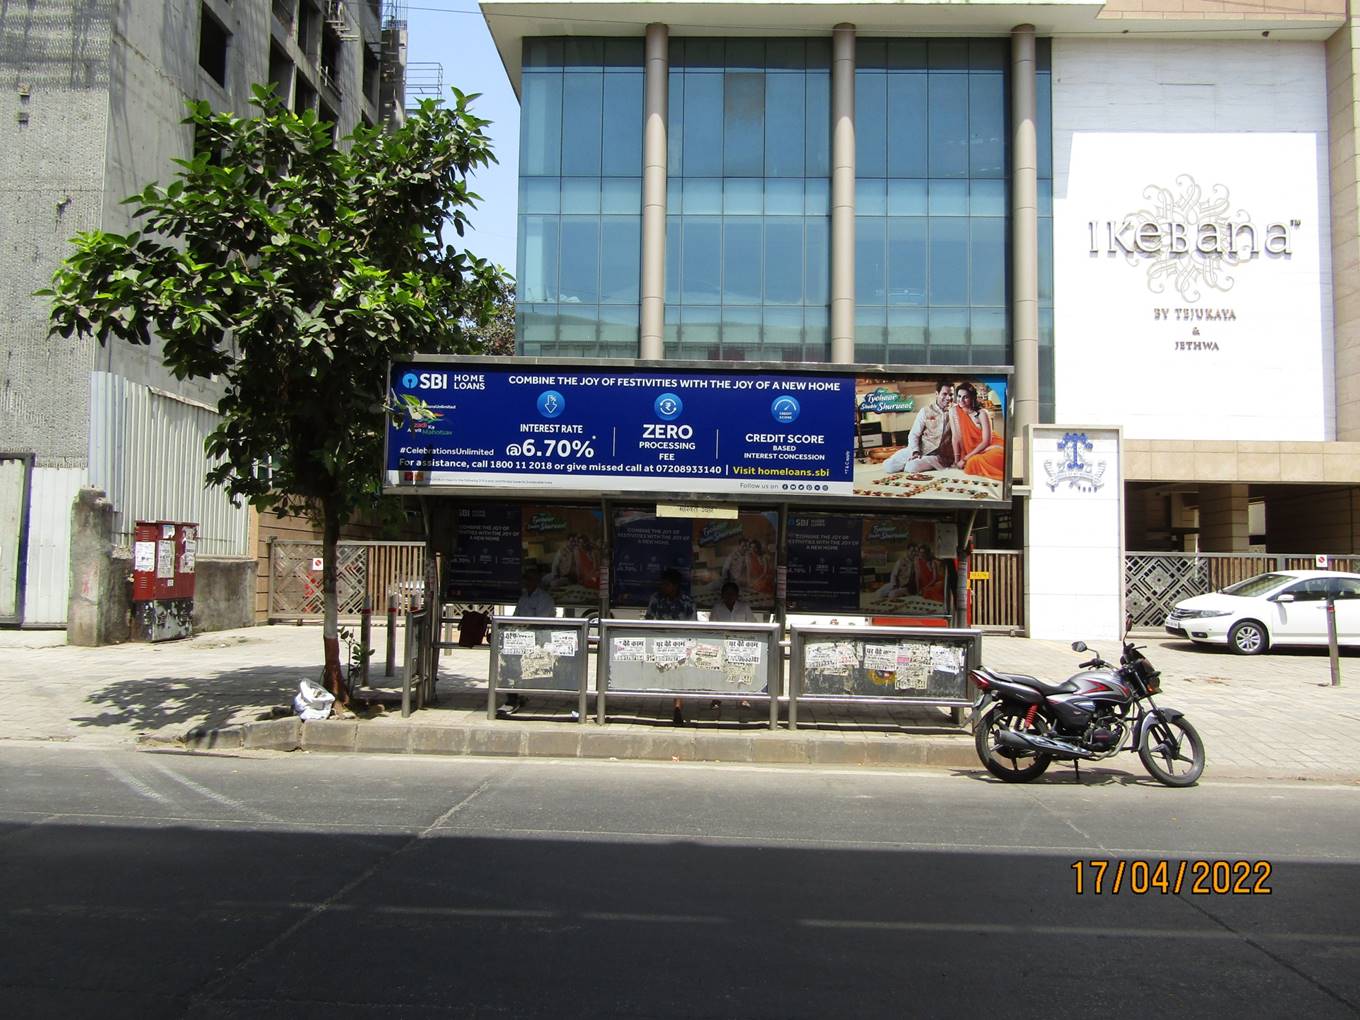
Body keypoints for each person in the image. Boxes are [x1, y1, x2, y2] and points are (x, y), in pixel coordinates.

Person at [499, 564, 555, 716]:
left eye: (530, 579)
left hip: (537, 640)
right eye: (526, 579)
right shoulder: (523, 597)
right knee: (507, 662)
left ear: (537, 581)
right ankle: (513, 695)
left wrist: (524, 626)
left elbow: (541, 621)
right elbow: (516, 617)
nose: (527, 582)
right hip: (520, 638)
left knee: (518, 667)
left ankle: (514, 697)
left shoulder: (545, 599)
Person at [645, 568, 696, 725]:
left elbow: (693, 625)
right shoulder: (656, 599)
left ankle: (677, 707)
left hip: (680, 645)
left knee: (679, 677)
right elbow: (648, 619)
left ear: (675, 585)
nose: (663, 587)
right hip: (660, 644)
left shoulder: (687, 602)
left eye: (666, 584)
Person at [882, 380, 955, 474]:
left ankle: (914, 463)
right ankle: (912, 459)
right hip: (921, 449)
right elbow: (914, 434)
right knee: (888, 466)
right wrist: (915, 452)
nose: (948, 398)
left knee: (911, 468)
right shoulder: (925, 410)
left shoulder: (955, 412)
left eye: (951, 394)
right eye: (944, 394)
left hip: (937, 455)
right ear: (937, 394)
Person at [952, 381, 1005, 480]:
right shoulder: (955, 411)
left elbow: (986, 442)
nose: (961, 400)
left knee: (974, 461)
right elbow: (956, 437)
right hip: (974, 452)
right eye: (959, 396)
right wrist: (957, 460)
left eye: (965, 397)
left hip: (992, 447)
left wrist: (964, 459)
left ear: (972, 398)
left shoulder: (981, 413)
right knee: (973, 462)